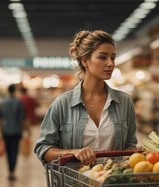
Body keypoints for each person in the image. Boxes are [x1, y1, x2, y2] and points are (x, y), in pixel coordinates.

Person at [34, 30, 138, 165]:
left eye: (112, 57)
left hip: (112, 181)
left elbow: (130, 145)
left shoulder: (124, 102)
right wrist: (73, 152)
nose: (110, 63)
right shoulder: (62, 103)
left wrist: (134, 154)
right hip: (74, 183)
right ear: (85, 61)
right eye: (102, 57)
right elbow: (43, 148)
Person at [0, 84, 26, 180]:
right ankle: (12, 172)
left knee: (8, 151)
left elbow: (0, 118)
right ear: (14, 91)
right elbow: (21, 118)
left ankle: (9, 171)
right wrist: (23, 129)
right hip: (16, 130)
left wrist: (0, 129)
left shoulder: (2, 102)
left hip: (6, 130)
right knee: (14, 151)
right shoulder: (18, 102)